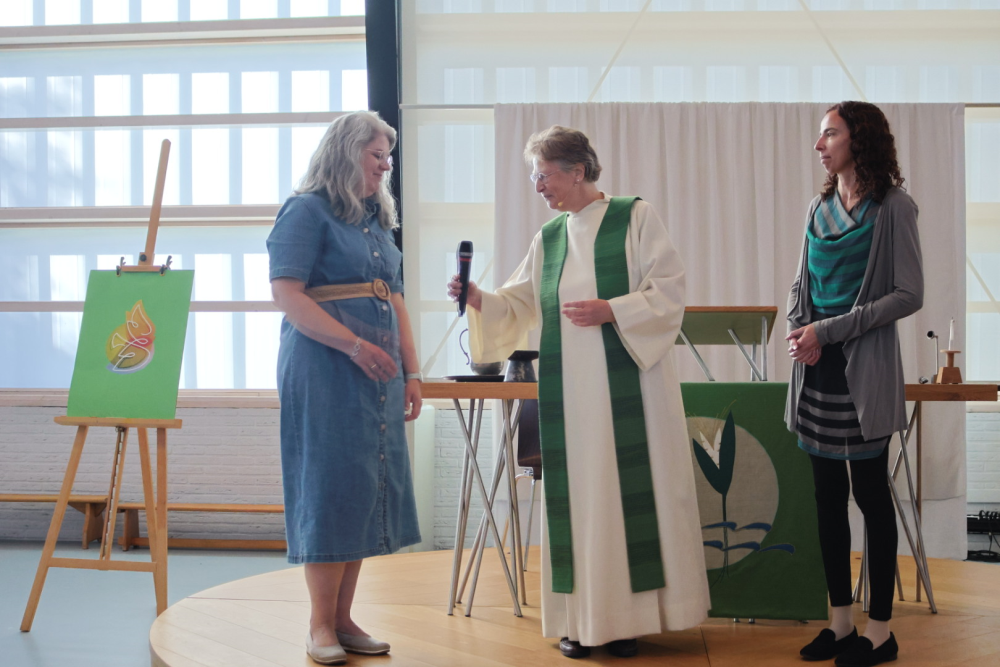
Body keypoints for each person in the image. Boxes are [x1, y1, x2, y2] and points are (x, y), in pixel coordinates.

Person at [448, 125, 710, 659]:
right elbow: (519, 304)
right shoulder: (550, 238)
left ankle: (628, 622)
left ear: (578, 170)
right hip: (571, 397)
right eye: (534, 177)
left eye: (544, 175)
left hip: (631, 390)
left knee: (624, 501)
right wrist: (477, 298)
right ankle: (581, 622)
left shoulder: (635, 217)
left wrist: (613, 309)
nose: (538, 186)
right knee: (583, 506)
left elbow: (669, 290)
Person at [267, 110, 422, 665]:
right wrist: (355, 346)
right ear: (345, 151)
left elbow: (394, 298)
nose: (385, 166)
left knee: (365, 487)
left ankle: (343, 618)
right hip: (324, 368)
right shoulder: (306, 211)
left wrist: (412, 371)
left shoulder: (376, 221)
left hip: (378, 372)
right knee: (329, 486)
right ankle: (319, 625)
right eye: (376, 155)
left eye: (388, 158)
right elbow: (287, 294)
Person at [786, 102, 922, 667]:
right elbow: (801, 287)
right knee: (826, 499)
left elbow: (908, 294)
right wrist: (801, 331)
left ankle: (881, 632)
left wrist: (828, 330)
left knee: (870, 497)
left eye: (829, 133)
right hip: (817, 369)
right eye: (820, 135)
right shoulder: (818, 207)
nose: (819, 144)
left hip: (863, 374)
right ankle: (840, 624)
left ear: (858, 138)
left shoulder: (894, 207)